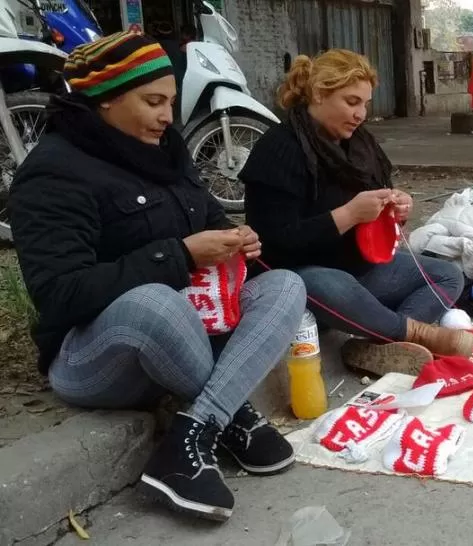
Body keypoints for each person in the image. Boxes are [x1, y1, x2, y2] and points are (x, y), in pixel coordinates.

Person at [7, 32, 306, 521]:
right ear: (105, 99)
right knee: (153, 301)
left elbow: (209, 219)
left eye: (170, 101)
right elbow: (61, 295)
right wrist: (180, 256)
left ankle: (197, 430)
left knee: (285, 285)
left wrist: (237, 243)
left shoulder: (166, 150)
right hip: (96, 356)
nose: (169, 116)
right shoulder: (52, 174)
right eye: (153, 102)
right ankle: (231, 415)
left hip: (190, 334)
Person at [239, 49, 473, 378]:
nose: (360, 114)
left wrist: (396, 207)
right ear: (320, 95)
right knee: (315, 281)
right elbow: (273, 245)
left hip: (359, 267)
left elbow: (378, 207)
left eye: (364, 103)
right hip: (306, 276)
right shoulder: (280, 148)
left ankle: (383, 345)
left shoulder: (360, 144)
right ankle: (418, 334)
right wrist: (348, 214)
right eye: (351, 102)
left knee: (449, 275)